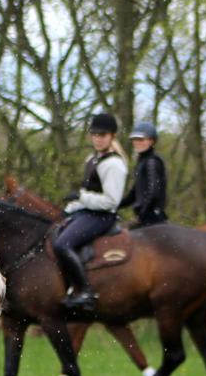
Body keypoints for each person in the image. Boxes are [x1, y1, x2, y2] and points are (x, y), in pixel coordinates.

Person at [56, 112, 128, 318]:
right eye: (94, 134)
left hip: (102, 216)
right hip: (87, 212)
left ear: (112, 136)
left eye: (102, 135)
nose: (97, 138)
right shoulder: (92, 159)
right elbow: (87, 194)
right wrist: (69, 208)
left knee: (63, 244)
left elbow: (111, 201)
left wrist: (82, 197)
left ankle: (86, 292)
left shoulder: (114, 164)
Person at [119, 121, 167, 226]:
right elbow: (133, 195)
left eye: (141, 139)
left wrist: (142, 215)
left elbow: (153, 192)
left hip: (152, 219)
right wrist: (113, 205)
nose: (137, 142)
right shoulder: (142, 162)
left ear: (151, 141)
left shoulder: (152, 162)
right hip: (145, 217)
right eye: (135, 139)